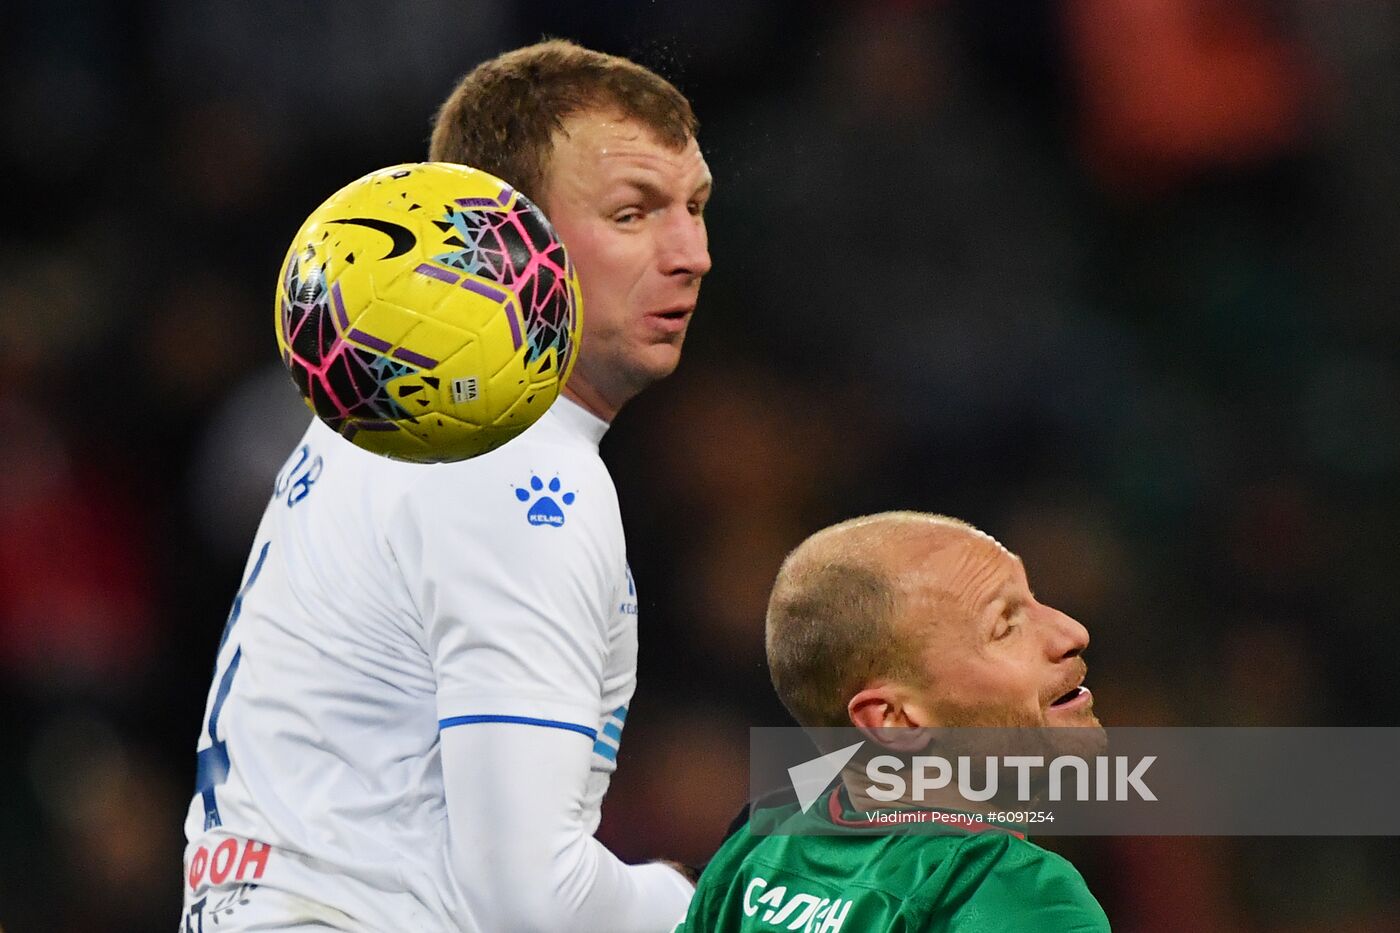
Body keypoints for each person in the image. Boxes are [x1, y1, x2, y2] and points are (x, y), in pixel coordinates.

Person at [181, 40, 712, 933]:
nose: (691, 252)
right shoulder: (515, 464)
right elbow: (532, 902)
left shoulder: (386, 417)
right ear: (508, 244)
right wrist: (713, 902)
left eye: (696, 207)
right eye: (634, 214)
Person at [675, 512, 1111, 931]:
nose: (1072, 632)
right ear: (892, 720)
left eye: (1034, 600)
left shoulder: (753, 848)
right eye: (1004, 627)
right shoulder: (1011, 895)